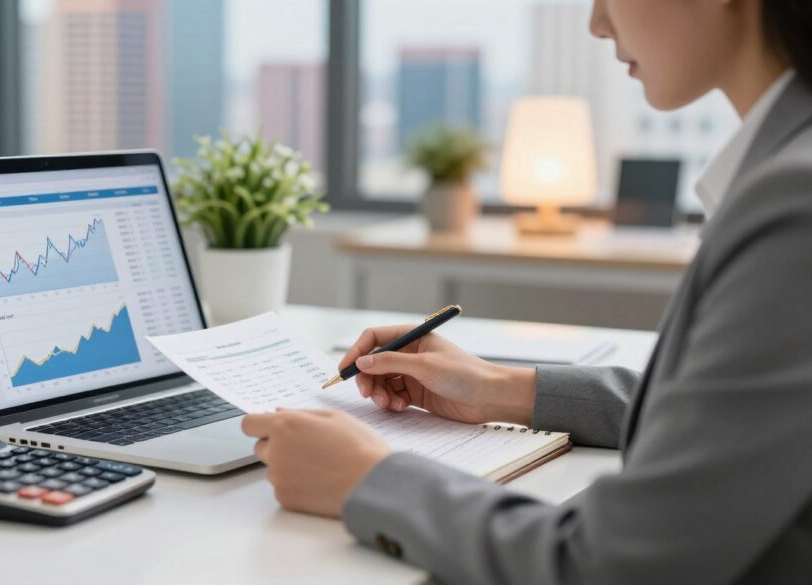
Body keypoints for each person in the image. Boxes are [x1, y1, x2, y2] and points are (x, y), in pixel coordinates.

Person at [240, 0, 812, 582]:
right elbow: (728, 415)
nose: (597, 22)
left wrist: (365, 479)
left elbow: (611, 567)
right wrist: (499, 387)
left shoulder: (795, 204)